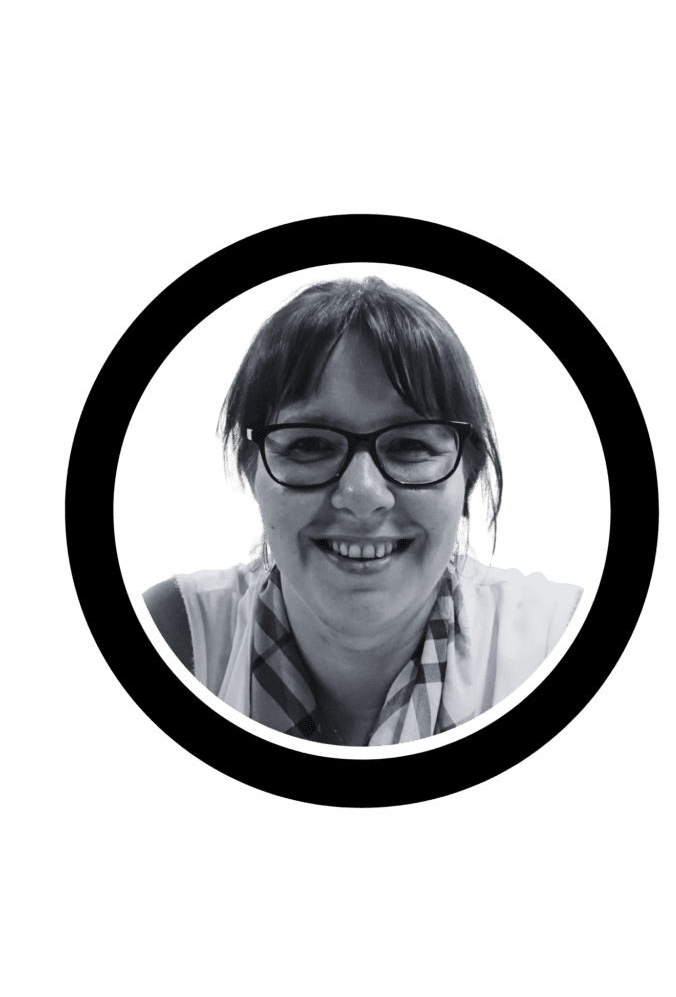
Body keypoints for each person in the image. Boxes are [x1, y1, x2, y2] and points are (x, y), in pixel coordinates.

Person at [143, 276, 584, 747]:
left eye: (410, 445)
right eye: (310, 445)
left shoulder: (555, 640)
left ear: (468, 472)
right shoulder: (176, 636)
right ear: (250, 470)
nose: (362, 493)